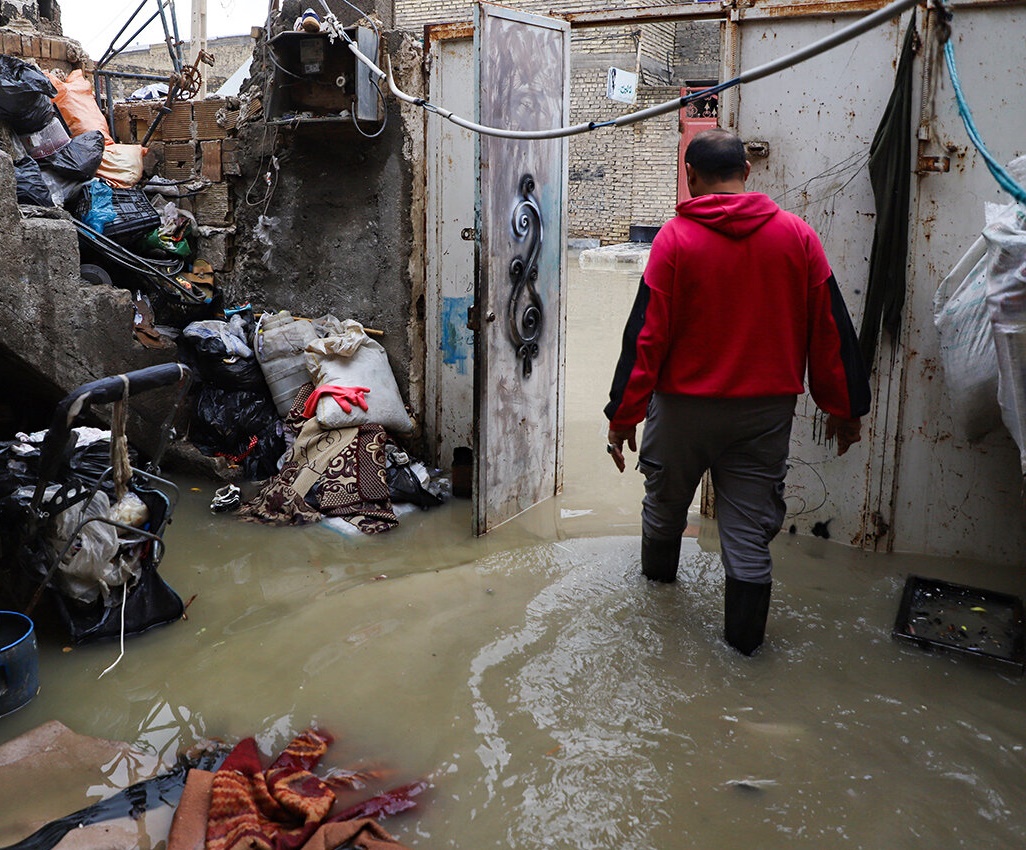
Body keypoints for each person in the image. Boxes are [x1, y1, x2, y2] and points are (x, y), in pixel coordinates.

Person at [603, 128, 871, 656]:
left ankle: (657, 613)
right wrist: (845, 410)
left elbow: (646, 339)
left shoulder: (674, 241)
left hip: (681, 412)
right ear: (747, 173)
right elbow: (831, 331)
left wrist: (623, 415)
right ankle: (745, 657)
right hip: (764, 415)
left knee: (664, 510)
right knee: (748, 538)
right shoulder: (798, 236)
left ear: (691, 179)